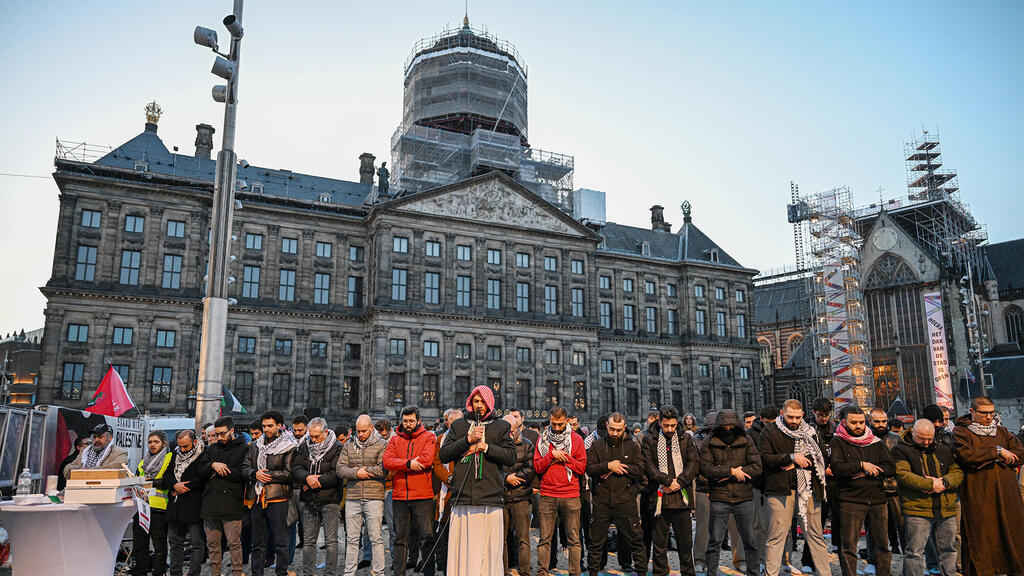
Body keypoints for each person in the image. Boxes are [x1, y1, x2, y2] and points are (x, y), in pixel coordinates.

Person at [439, 384, 517, 576]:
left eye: (483, 401)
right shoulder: (458, 426)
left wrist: (485, 447)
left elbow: (510, 457)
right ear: (470, 403)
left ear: (489, 403)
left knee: (488, 552)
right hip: (464, 497)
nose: (479, 405)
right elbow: (444, 454)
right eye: (476, 401)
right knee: (465, 551)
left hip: (490, 497)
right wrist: (466, 440)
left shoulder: (502, 427)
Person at [952, 396, 1024, 576]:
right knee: (982, 536)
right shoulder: (962, 432)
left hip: (1007, 492)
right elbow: (966, 455)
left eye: (992, 413)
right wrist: (997, 452)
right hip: (979, 491)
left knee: (1012, 534)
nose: (989, 417)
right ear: (972, 412)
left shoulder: (1002, 431)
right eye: (984, 413)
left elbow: (1019, 454)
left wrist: (997, 456)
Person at [759, 400, 830, 576]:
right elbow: (764, 458)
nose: (794, 421)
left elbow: (822, 459)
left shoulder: (811, 432)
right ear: (782, 414)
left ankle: (825, 573)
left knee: (815, 536)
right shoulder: (769, 431)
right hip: (780, 489)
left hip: (809, 489)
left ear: (803, 415)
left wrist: (798, 463)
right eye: (790, 417)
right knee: (776, 536)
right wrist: (790, 458)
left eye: (797, 417)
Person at [891, 419, 962, 576]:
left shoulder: (944, 450)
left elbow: (957, 472)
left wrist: (944, 482)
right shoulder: (900, 450)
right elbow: (903, 475)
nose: (926, 442)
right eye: (922, 438)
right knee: (915, 551)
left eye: (930, 438)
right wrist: (930, 485)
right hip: (917, 508)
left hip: (945, 507)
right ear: (912, 433)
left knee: (948, 549)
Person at [830, 405, 895, 576]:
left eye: (861, 422)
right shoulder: (838, 441)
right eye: (853, 423)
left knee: (882, 545)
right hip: (851, 499)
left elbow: (889, 467)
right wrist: (860, 465)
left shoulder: (875, 442)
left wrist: (868, 471)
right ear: (844, 422)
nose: (858, 426)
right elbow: (837, 468)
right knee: (849, 546)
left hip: (877, 499)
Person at [700, 409, 762, 576]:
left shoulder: (747, 440)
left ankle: (754, 572)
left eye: (731, 426)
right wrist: (731, 472)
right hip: (720, 496)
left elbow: (757, 467)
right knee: (715, 541)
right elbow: (706, 469)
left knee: (750, 540)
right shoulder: (709, 442)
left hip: (743, 497)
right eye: (724, 427)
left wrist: (734, 473)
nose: (728, 429)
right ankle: (711, 573)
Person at [642, 405, 700, 576]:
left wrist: (679, 482)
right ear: (659, 422)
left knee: (685, 544)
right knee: (659, 545)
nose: (669, 429)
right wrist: (666, 481)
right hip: (659, 497)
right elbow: (648, 466)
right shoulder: (649, 439)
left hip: (681, 498)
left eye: (673, 426)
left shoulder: (686, 439)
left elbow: (693, 464)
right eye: (666, 425)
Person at [586, 412, 646, 576]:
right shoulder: (597, 445)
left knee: (635, 540)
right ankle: (593, 572)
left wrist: (620, 467)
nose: (615, 433)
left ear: (624, 428)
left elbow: (640, 469)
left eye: (619, 430)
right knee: (595, 543)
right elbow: (590, 468)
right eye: (612, 429)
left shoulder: (632, 446)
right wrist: (608, 466)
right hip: (602, 501)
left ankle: (641, 571)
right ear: (607, 426)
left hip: (625, 500)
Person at [384, 405, 437, 576]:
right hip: (400, 496)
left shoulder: (429, 436)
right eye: (405, 421)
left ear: (418, 421)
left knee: (426, 538)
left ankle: (429, 572)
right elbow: (387, 461)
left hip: (422, 495)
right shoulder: (394, 439)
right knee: (400, 539)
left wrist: (400, 463)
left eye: (411, 421)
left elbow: (427, 460)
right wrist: (408, 464)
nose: (408, 424)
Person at [534, 405, 587, 576]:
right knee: (544, 540)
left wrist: (565, 458)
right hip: (548, 494)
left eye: (560, 425)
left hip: (570, 495)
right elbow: (537, 467)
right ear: (550, 420)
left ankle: (575, 573)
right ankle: (542, 572)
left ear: (567, 422)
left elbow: (581, 468)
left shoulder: (577, 440)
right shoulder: (542, 439)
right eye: (554, 424)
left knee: (574, 540)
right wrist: (551, 456)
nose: (557, 428)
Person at [244, 411, 298, 576]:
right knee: (258, 542)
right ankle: (256, 573)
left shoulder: (289, 445)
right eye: (264, 426)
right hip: (257, 497)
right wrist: (254, 474)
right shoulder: (255, 445)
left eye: (270, 426)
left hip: (277, 497)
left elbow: (288, 473)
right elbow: (244, 468)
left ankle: (281, 573)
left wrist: (266, 475)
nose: (266, 429)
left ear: (279, 426)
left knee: (280, 541)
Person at [197, 416, 249, 576]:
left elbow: (243, 473)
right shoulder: (212, 449)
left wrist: (222, 470)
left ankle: (237, 572)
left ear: (231, 431)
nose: (218, 438)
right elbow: (198, 470)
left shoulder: (243, 449)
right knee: (212, 544)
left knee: (234, 543)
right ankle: (215, 573)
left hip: (232, 502)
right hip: (210, 503)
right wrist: (213, 465)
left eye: (222, 434)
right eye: (216, 434)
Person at [336, 414, 387, 576]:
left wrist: (366, 472)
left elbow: (383, 469)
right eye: (358, 431)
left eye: (364, 431)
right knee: (351, 539)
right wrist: (357, 473)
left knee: (376, 538)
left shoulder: (382, 444)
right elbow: (340, 469)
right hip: (353, 495)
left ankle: (379, 572)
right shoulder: (349, 445)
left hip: (374, 495)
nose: (361, 434)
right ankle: (349, 572)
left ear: (371, 428)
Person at [292, 417, 342, 576]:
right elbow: (296, 467)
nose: (312, 440)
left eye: (316, 436)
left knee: (331, 541)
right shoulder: (304, 446)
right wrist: (307, 477)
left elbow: (336, 473)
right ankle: (307, 573)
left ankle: (330, 573)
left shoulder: (337, 447)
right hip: (309, 499)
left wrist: (316, 480)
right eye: (311, 436)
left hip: (330, 499)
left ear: (326, 432)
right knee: (308, 541)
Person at [166, 430, 207, 576]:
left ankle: (193, 573)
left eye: (186, 446)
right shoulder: (175, 455)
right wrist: (174, 485)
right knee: (175, 543)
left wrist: (185, 487)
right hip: (176, 506)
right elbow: (168, 474)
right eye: (180, 446)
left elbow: (203, 477)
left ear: (195, 442)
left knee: (197, 543)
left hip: (193, 505)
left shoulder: (203, 454)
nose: (182, 450)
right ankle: (175, 572)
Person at [132, 431, 173, 576]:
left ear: (164, 443)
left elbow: (168, 480)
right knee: (139, 544)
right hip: (142, 507)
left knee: (159, 545)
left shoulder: (169, 457)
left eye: (156, 442)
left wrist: (150, 482)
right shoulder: (143, 461)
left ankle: (159, 571)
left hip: (159, 508)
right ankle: (142, 570)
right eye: (150, 442)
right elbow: (137, 479)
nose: (152, 445)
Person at [868, 409, 903, 562]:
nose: (881, 424)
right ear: (870, 421)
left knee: (902, 524)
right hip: (875, 487)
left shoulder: (896, 439)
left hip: (895, 487)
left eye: (883, 421)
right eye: (877, 421)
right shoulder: (866, 438)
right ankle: (874, 558)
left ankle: (902, 553)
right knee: (875, 527)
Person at [503, 412, 536, 576]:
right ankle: (502, 570)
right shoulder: (497, 444)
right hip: (501, 497)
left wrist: (514, 478)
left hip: (521, 495)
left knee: (523, 538)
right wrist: (505, 479)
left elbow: (531, 469)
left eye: (512, 430)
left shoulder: (527, 444)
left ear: (518, 428)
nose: (509, 434)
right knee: (501, 540)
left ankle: (525, 572)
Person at [748, 404, 778, 573]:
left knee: (780, 527)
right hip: (759, 484)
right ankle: (760, 559)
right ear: (761, 419)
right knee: (760, 526)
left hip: (777, 484)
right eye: (767, 422)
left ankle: (781, 560)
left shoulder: (781, 430)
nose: (770, 426)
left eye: (772, 422)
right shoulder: (752, 433)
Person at [433, 408, 462, 575]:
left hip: (464, 492)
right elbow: (436, 463)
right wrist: (449, 479)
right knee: (444, 534)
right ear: (448, 423)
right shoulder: (440, 439)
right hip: (447, 490)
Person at [63, 423, 129, 477]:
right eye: (94, 437)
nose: (96, 440)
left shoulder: (120, 453)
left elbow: (112, 470)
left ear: (110, 438)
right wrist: (79, 470)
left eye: (100, 437)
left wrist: (83, 471)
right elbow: (67, 469)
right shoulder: (85, 451)